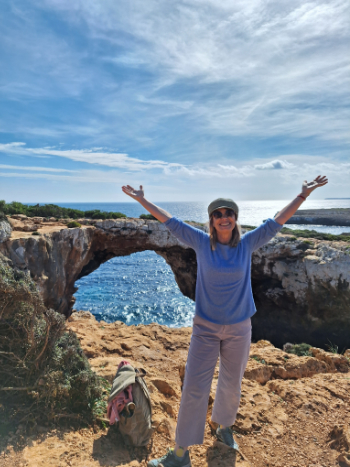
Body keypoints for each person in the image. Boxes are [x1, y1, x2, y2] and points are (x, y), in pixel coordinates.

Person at [122, 176, 328, 467]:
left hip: (239, 329)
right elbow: (171, 222)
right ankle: (181, 454)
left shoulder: (246, 245)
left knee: (231, 384)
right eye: (217, 214)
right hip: (205, 329)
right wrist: (142, 200)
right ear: (211, 220)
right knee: (194, 387)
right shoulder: (201, 243)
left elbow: (277, 221)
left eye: (228, 213)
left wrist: (303, 195)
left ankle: (224, 428)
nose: (223, 217)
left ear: (235, 218)